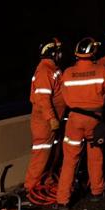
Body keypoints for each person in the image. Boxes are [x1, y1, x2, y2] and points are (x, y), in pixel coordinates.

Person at [55, 37, 105, 210]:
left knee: (69, 160)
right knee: (95, 155)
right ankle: (97, 192)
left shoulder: (67, 73)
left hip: (74, 120)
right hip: (94, 121)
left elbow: (64, 96)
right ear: (93, 53)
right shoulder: (101, 71)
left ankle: (62, 201)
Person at [24, 38, 65, 191]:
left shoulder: (54, 69)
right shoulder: (45, 71)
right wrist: (51, 118)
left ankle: (46, 180)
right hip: (44, 123)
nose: (61, 54)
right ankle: (31, 188)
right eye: (58, 51)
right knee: (41, 156)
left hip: (52, 123)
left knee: (52, 154)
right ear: (53, 53)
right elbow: (42, 97)